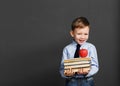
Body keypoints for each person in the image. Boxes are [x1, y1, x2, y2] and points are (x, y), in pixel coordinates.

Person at [59, 17, 99, 86]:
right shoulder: (67, 49)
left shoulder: (91, 48)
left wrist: (88, 71)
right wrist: (66, 74)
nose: (82, 37)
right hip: (72, 81)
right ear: (72, 33)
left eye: (86, 34)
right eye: (79, 34)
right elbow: (62, 68)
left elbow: (95, 66)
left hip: (87, 80)